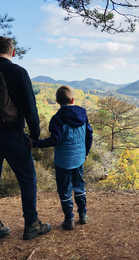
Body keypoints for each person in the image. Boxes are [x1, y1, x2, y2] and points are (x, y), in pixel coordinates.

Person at [0, 36, 51, 243]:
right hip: (13, 135)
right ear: (12, 52)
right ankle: (31, 224)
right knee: (27, 179)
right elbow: (30, 108)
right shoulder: (18, 72)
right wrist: (34, 135)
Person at [31, 85, 93, 230]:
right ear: (73, 99)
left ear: (57, 100)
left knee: (64, 190)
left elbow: (55, 140)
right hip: (79, 159)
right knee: (79, 186)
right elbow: (89, 134)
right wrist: (86, 152)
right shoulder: (83, 114)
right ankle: (83, 214)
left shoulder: (57, 118)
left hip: (63, 161)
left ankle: (69, 219)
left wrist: (35, 144)